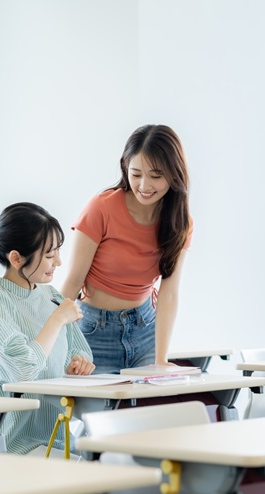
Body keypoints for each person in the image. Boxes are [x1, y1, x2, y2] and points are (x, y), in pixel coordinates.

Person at [0, 201, 94, 455]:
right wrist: (56, 320)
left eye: (58, 252)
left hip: (59, 442)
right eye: (50, 255)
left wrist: (78, 365)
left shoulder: (50, 296)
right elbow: (22, 371)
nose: (58, 262)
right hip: (13, 447)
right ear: (16, 258)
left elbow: (79, 352)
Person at [61, 124, 192, 374]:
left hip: (145, 330)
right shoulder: (101, 208)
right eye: (136, 174)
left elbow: (169, 293)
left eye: (156, 176)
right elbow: (73, 281)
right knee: (97, 411)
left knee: (149, 410)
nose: (144, 185)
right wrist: (55, 345)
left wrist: (161, 359)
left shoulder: (180, 222)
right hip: (92, 331)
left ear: (174, 174)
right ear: (125, 167)